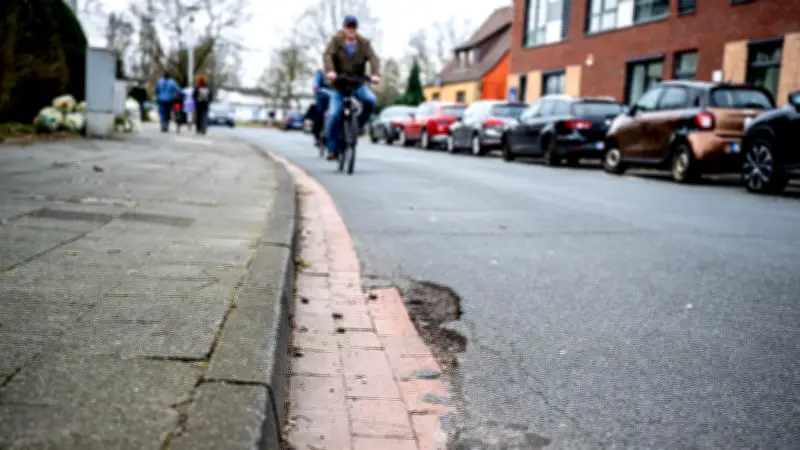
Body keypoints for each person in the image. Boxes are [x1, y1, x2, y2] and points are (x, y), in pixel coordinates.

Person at [322, 15, 380, 160]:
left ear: (356, 28)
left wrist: (375, 74)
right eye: (348, 27)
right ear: (344, 28)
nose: (351, 30)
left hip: (357, 83)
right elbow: (328, 55)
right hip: (339, 85)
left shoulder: (364, 43)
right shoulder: (336, 41)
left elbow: (374, 58)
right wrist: (330, 71)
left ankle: (358, 126)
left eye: (353, 27)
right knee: (333, 114)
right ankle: (332, 149)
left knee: (370, 100)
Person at [309, 68, 331, 146]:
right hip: (322, 97)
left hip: (334, 97)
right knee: (320, 113)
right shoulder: (321, 72)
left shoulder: (338, 71)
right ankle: (317, 136)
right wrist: (316, 87)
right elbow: (316, 81)